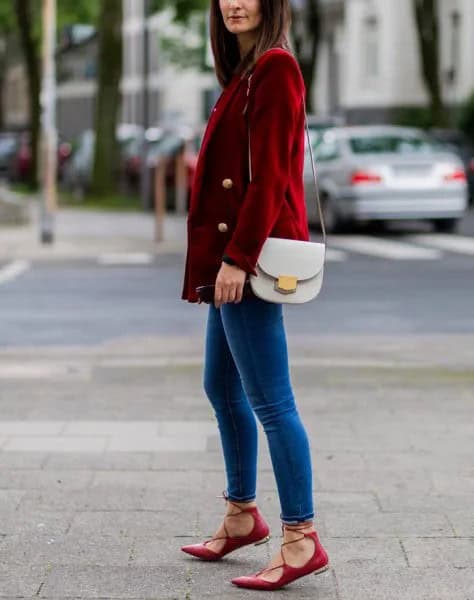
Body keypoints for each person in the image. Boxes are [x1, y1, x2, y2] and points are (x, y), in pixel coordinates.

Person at [180, 0, 329, 591]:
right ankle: (242, 515)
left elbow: (269, 176)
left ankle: (301, 539)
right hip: (230, 258)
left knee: (271, 400)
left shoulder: (275, 68)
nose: (233, 3)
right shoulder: (242, 71)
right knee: (221, 386)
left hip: (251, 258)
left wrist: (239, 258)